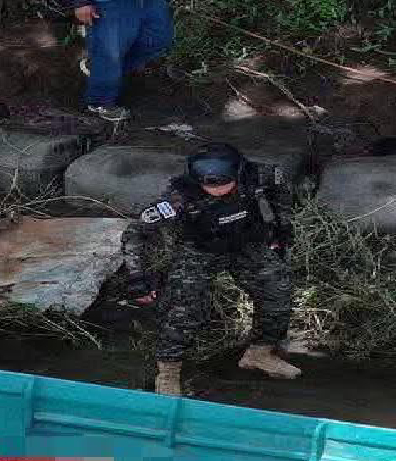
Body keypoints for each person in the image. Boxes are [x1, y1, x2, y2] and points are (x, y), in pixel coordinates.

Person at [120, 143, 300, 395]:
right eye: (208, 185)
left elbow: (281, 193)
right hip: (200, 249)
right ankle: (168, 373)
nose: (215, 190)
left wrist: (282, 227)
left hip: (246, 242)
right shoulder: (178, 198)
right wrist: (136, 276)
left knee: (278, 291)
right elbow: (135, 233)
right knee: (185, 309)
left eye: (222, 184)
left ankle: (259, 353)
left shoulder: (260, 175)